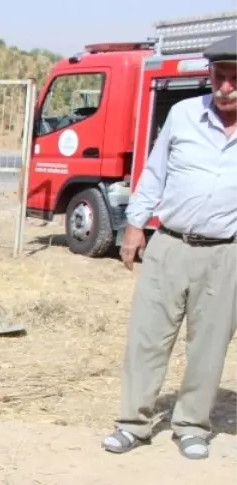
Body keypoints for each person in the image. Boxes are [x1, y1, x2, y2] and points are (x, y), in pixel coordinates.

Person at [103, 32, 237, 461]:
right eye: (219, 77)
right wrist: (134, 225)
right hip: (170, 245)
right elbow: (154, 173)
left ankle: (192, 426)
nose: (225, 88)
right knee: (147, 337)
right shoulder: (183, 115)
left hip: (225, 253)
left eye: (235, 79)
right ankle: (132, 424)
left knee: (209, 344)